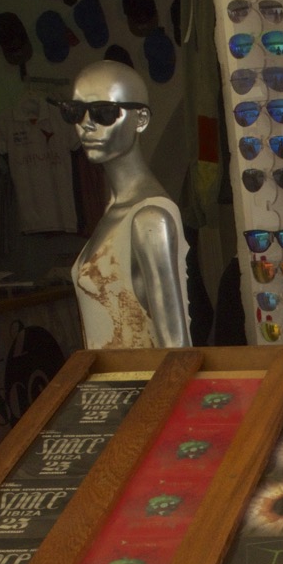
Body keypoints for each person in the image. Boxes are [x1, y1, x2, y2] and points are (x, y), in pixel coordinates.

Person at [64, 60, 190, 348]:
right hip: (110, 376)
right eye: (75, 112)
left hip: (144, 376)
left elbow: (176, 348)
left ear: (141, 119)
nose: (86, 125)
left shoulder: (150, 217)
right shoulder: (115, 210)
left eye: (104, 113)